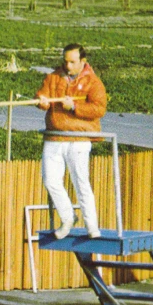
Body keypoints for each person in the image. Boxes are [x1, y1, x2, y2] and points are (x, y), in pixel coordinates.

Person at [36, 43, 107, 239]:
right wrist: (41, 100)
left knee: (81, 182)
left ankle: (92, 226)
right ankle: (68, 217)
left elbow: (99, 108)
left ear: (82, 61)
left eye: (72, 62)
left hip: (79, 138)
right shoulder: (53, 77)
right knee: (50, 180)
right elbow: (42, 94)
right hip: (55, 136)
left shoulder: (93, 82)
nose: (67, 66)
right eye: (65, 61)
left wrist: (74, 107)